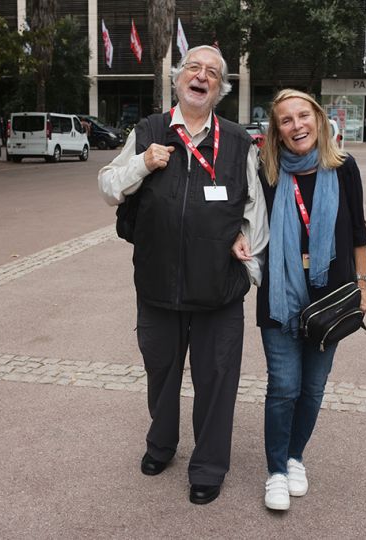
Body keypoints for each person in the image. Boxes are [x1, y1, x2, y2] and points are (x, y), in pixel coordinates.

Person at [98, 45, 269, 506]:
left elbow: (256, 213)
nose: (201, 76)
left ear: (221, 89)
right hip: (157, 288)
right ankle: (162, 444)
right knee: (161, 374)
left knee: (216, 380)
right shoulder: (150, 131)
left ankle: (209, 466)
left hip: (218, 292)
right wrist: (143, 162)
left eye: (212, 72)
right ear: (177, 80)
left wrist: (246, 264)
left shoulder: (237, 142)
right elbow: (109, 187)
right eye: (193, 68)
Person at [251, 89, 366, 511]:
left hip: (332, 295)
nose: (297, 125)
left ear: (319, 120)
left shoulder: (343, 168)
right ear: (277, 131)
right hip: (280, 294)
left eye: (303, 116)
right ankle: (276, 472)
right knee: (284, 387)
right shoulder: (265, 171)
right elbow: (245, 220)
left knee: (314, 388)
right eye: (286, 120)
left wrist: (363, 281)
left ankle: (295, 456)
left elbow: (358, 230)